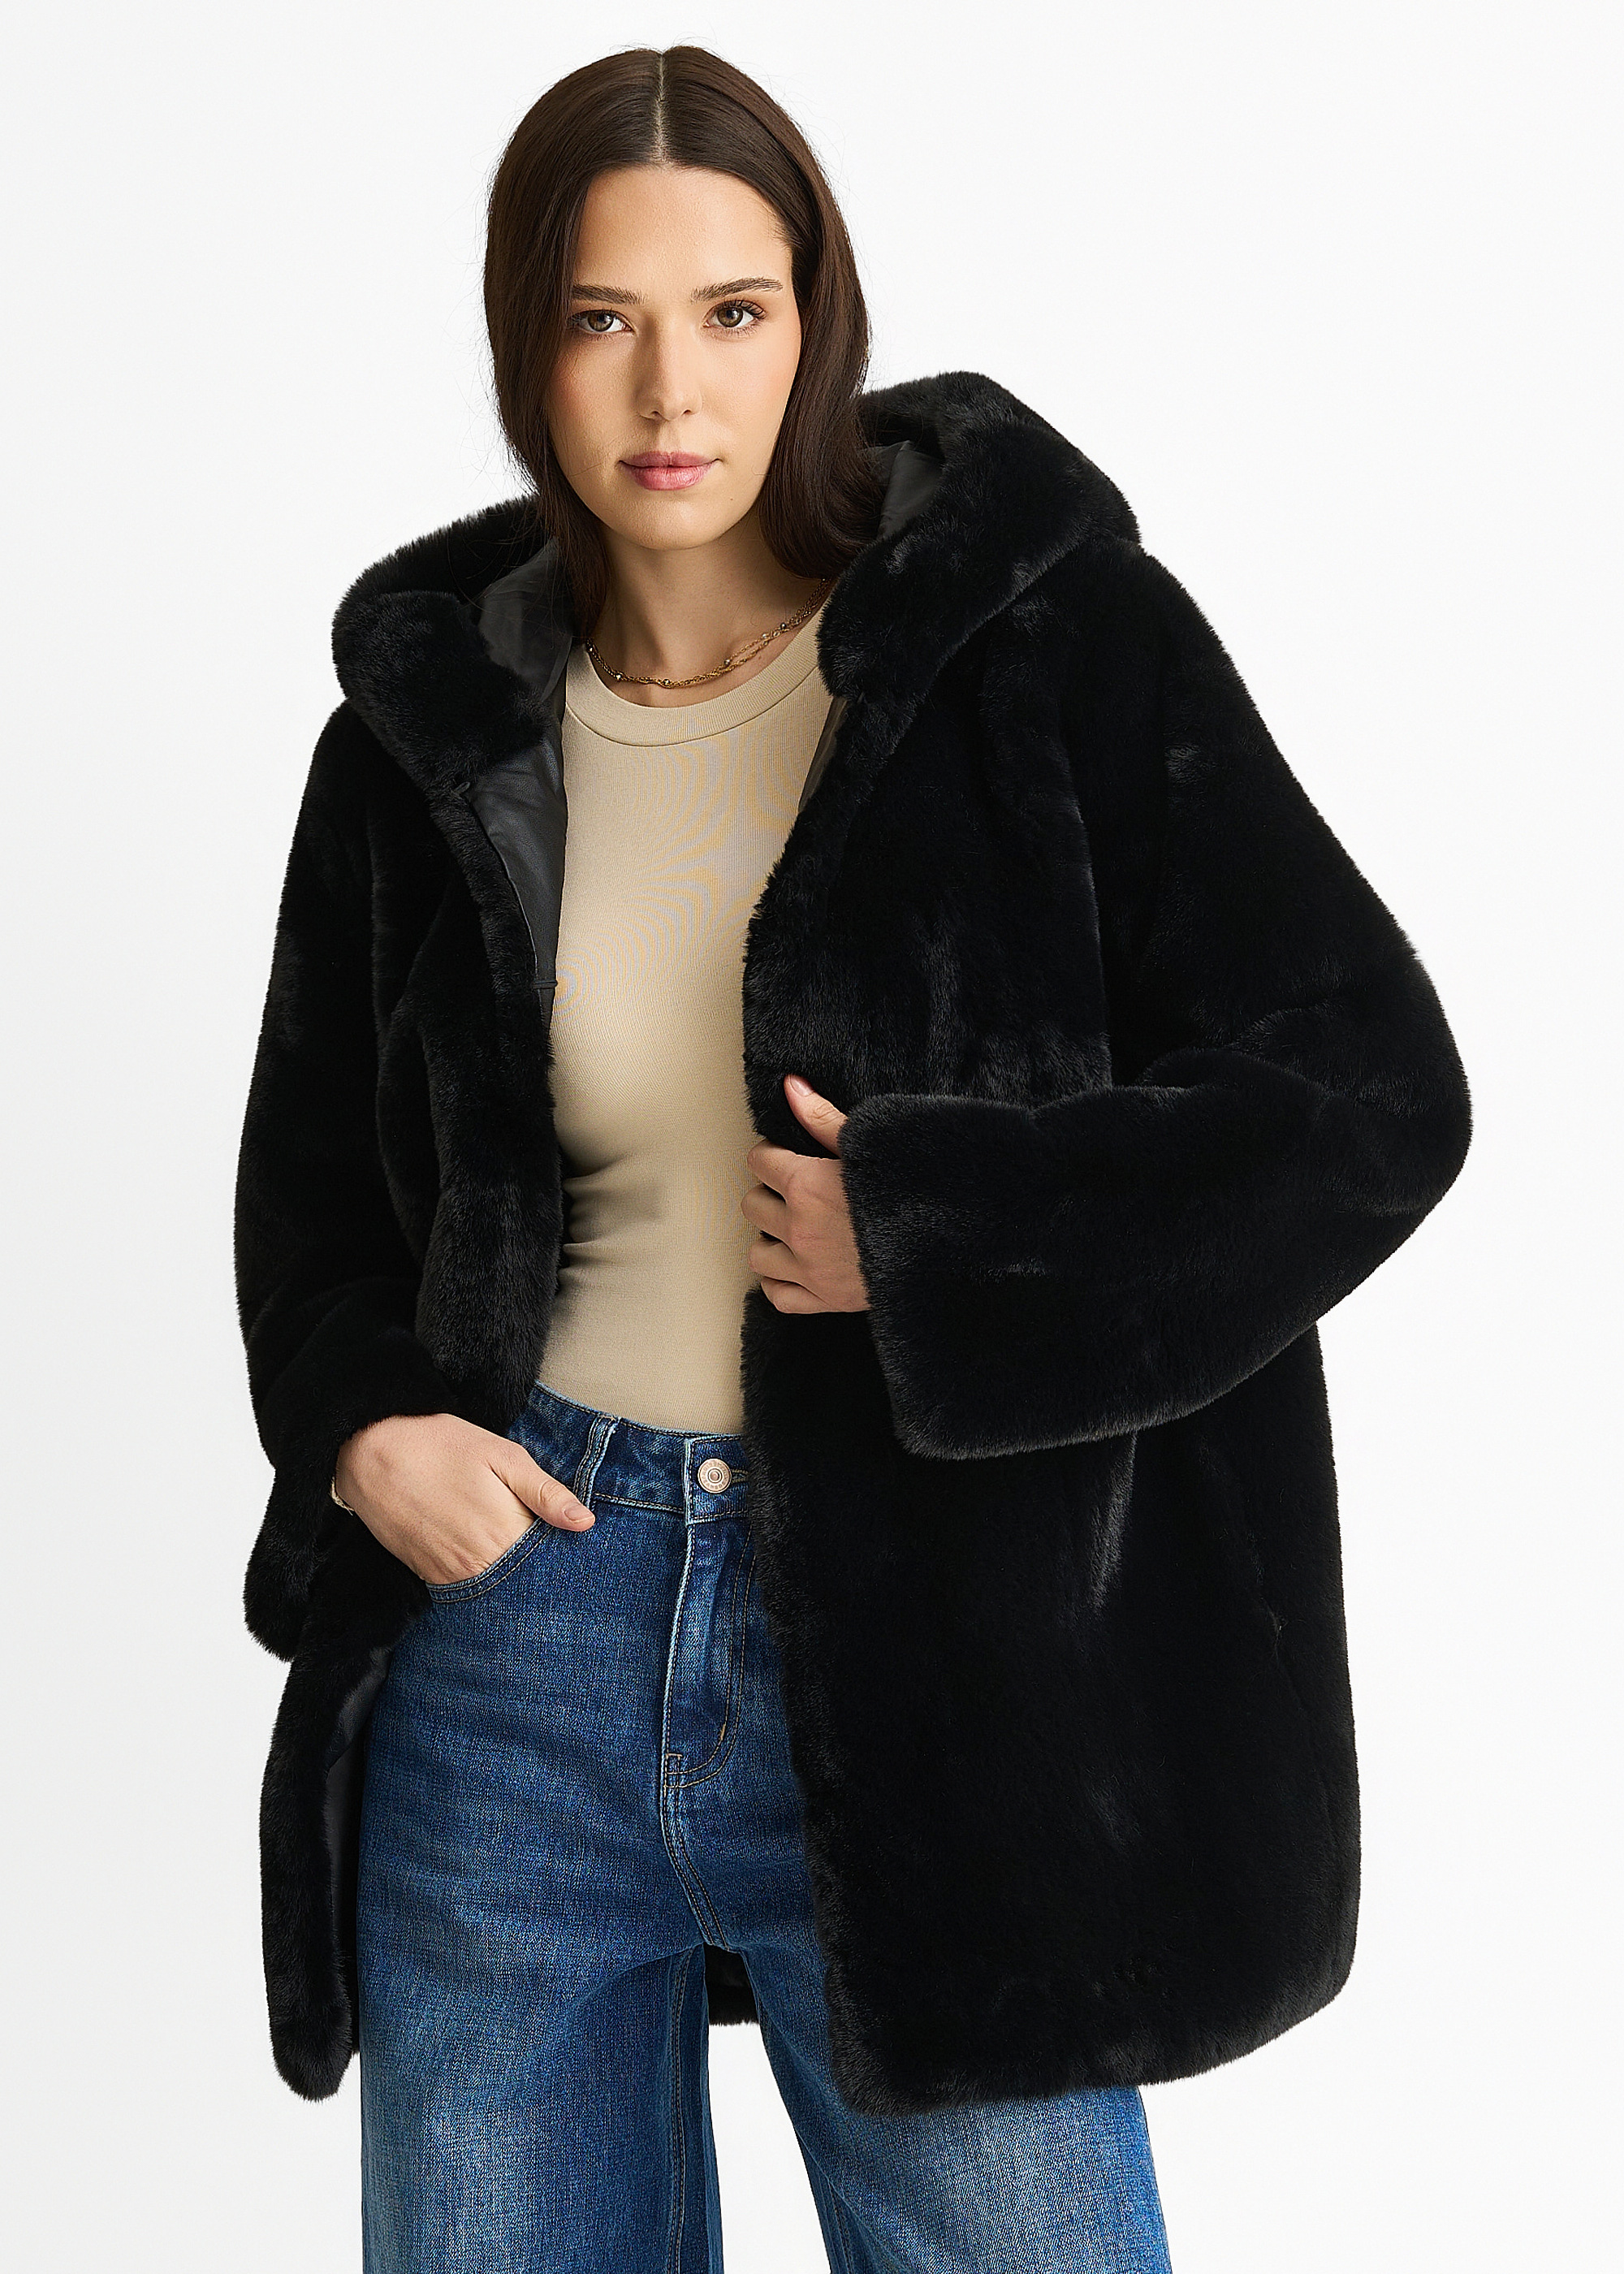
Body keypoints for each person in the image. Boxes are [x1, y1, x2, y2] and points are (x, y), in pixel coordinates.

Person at [235, 44, 1472, 2273]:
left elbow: (1371, 1088)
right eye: (603, 318)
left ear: (817, 325)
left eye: (733, 310)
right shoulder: (427, 735)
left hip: (938, 1653)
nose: (670, 387)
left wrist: (938, 1241)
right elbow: (313, 1187)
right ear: (525, 345)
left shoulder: (1034, 646)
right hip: (514, 1642)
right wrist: (360, 1426)